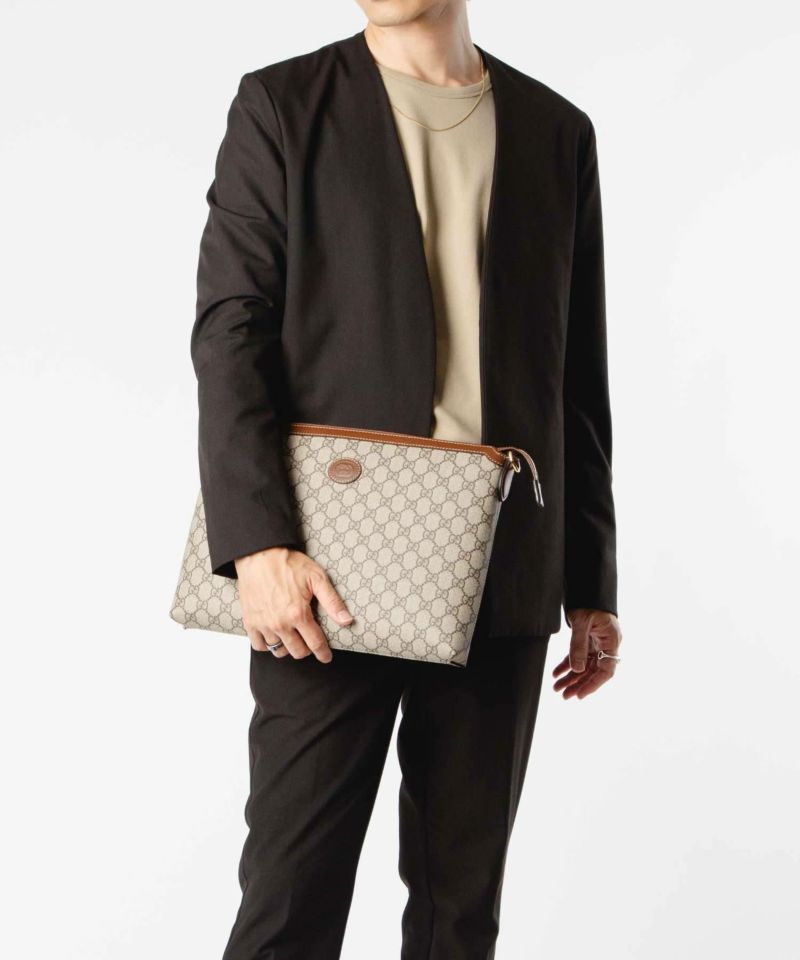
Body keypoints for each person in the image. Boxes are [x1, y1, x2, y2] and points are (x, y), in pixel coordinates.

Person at [190, 2, 623, 957]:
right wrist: (257, 544)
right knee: (289, 905)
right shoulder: (284, 105)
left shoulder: (557, 131)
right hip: (327, 569)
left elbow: (575, 376)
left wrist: (590, 582)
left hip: (501, 566)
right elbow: (230, 335)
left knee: (459, 918)